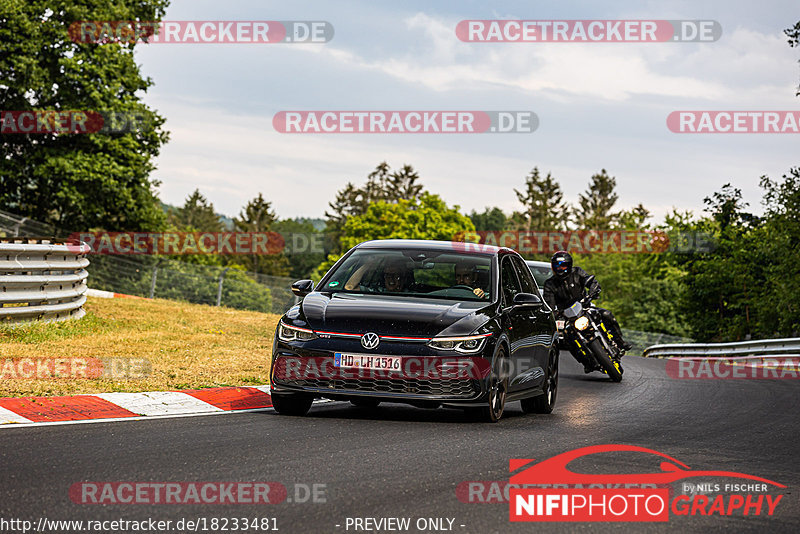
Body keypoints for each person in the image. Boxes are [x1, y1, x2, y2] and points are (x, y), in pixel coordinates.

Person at [543, 251, 632, 370]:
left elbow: (588, 280)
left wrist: (594, 288)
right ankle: (588, 363)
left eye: (563, 265)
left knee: (606, 314)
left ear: (569, 265)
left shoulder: (577, 272)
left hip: (584, 307)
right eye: (557, 266)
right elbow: (549, 304)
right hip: (567, 316)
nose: (560, 268)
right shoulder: (550, 284)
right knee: (568, 339)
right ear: (553, 267)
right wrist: (553, 314)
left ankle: (620, 342)